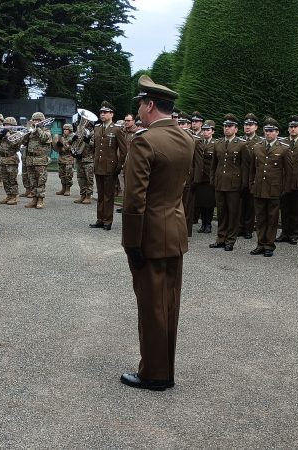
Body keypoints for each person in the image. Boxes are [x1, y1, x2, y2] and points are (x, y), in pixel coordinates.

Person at [120, 74, 194, 391]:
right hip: (174, 231)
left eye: (140, 104)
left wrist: (131, 243)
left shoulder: (145, 140)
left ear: (150, 105)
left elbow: (134, 200)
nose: (138, 110)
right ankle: (165, 369)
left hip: (149, 236)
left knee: (151, 307)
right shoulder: (187, 139)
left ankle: (153, 374)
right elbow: (182, 189)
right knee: (169, 305)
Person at [247, 118, 291, 257]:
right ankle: (260, 244)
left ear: (277, 132)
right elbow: (252, 170)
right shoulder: (257, 147)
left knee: (272, 219)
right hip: (259, 188)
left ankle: (269, 245)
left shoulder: (284, 148)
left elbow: (289, 172)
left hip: (274, 189)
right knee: (260, 218)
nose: (268, 133)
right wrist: (251, 184)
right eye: (266, 130)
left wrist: (285, 189)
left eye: (271, 131)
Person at [209, 114, 250, 251]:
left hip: (234, 184)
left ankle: (230, 240)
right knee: (221, 212)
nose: (227, 129)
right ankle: (220, 238)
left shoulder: (242, 145)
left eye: (230, 126)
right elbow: (214, 164)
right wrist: (212, 179)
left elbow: (245, 166)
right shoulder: (218, 143)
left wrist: (244, 184)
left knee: (233, 213)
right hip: (220, 182)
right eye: (225, 126)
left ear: (236, 129)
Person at [88, 101, 123, 231]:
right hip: (99, 166)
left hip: (110, 167)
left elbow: (123, 150)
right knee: (101, 195)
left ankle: (108, 221)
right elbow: (95, 148)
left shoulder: (117, 129)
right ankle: (100, 219)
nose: (102, 114)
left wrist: (119, 166)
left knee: (108, 195)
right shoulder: (97, 128)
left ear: (111, 114)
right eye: (101, 112)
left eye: (105, 112)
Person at [277, 115, 298, 244]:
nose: (293, 129)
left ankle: (295, 233)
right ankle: (284, 232)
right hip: (284, 181)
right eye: (291, 127)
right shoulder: (282, 142)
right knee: (285, 208)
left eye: (295, 127)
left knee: (297, 208)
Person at [20, 112, 52, 209]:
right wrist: (27, 132)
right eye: (34, 120)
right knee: (32, 180)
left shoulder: (46, 131)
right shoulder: (30, 132)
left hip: (40, 159)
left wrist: (37, 128)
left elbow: (43, 139)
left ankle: (40, 199)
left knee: (40, 181)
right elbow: (23, 142)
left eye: (38, 120)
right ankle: (34, 199)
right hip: (30, 159)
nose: (35, 122)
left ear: (42, 121)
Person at [193, 120, 216, 233]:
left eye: (208, 130)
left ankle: (208, 224)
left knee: (209, 203)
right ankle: (203, 224)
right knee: (201, 202)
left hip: (209, 178)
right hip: (200, 177)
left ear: (212, 132)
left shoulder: (215, 144)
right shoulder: (198, 142)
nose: (205, 132)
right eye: (204, 130)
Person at [0, 116, 21, 204]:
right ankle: (8, 195)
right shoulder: (2, 134)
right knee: (5, 179)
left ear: (13, 126)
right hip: (2, 159)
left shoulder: (17, 134)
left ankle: (14, 197)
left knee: (12, 179)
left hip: (11, 159)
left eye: (8, 125)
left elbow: (15, 144)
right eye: (5, 124)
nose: (6, 126)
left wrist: (8, 135)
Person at [53, 123, 75, 196]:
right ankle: (63, 188)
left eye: (67, 129)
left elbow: (73, 148)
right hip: (61, 158)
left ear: (70, 130)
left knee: (68, 174)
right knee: (61, 174)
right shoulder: (61, 137)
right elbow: (56, 148)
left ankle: (68, 189)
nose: (65, 131)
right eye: (64, 129)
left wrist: (64, 146)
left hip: (69, 159)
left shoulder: (73, 137)